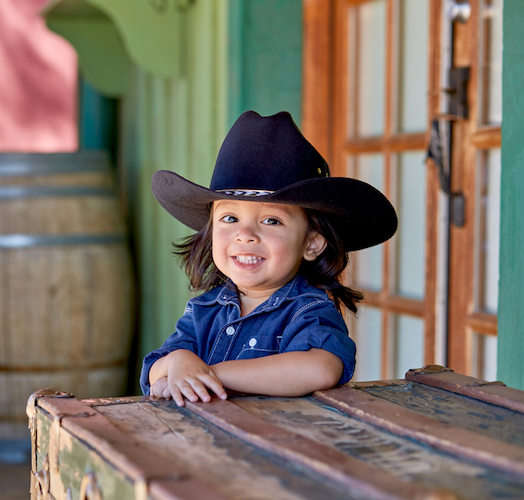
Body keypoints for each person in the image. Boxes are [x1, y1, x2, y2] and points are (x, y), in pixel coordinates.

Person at [140, 110, 397, 406]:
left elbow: (321, 368)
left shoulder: (307, 309)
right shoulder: (203, 311)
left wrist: (210, 374)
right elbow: (153, 372)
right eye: (230, 217)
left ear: (312, 243)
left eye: (271, 221)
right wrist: (178, 363)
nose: (245, 234)